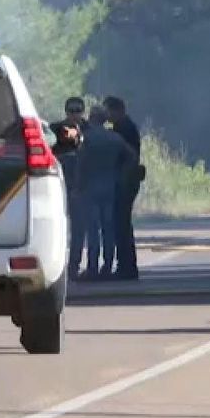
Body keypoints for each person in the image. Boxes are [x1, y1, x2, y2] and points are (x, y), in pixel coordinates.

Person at [77, 106, 137, 279]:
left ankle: (92, 268)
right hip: (110, 186)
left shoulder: (86, 138)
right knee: (108, 228)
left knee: (92, 229)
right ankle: (108, 265)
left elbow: (81, 162)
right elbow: (132, 156)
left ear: (92, 118)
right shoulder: (114, 138)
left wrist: (77, 185)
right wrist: (121, 174)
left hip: (90, 187)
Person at [104, 95, 144, 280]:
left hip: (126, 181)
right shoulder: (124, 127)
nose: (107, 115)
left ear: (117, 110)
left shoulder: (124, 129)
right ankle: (127, 266)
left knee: (121, 224)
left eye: (109, 111)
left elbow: (125, 155)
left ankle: (126, 267)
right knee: (122, 224)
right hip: (127, 179)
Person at [50, 97, 88, 278]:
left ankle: (74, 265)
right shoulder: (56, 129)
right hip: (60, 186)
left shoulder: (88, 128)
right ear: (66, 111)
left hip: (81, 187)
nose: (74, 114)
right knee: (58, 228)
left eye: (78, 110)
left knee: (79, 229)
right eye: (71, 110)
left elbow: (105, 130)